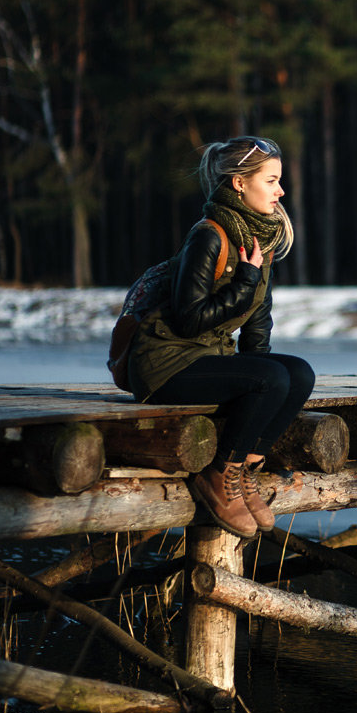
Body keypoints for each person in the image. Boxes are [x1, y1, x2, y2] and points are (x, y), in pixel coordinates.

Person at [126, 136, 315, 539]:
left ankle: (243, 468)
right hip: (165, 364)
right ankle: (218, 475)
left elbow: (257, 325)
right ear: (240, 184)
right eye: (272, 180)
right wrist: (245, 281)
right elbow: (190, 318)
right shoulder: (208, 236)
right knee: (274, 377)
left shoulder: (259, 238)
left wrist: (260, 374)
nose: (281, 191)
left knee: (297, 374)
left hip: (207, 358)